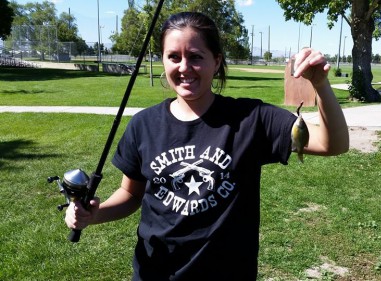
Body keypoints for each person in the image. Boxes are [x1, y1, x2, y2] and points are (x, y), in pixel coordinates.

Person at [65, 11, 349, 280]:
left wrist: (321, 85)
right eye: (173, 57)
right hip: (155, 271)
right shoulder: (143, 125)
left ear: (216, 61)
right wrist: (92, 215)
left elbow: (331, 143)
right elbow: (130, 194)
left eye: (196, 57)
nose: (184, 67)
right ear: (162, 61)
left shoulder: (252, 119)